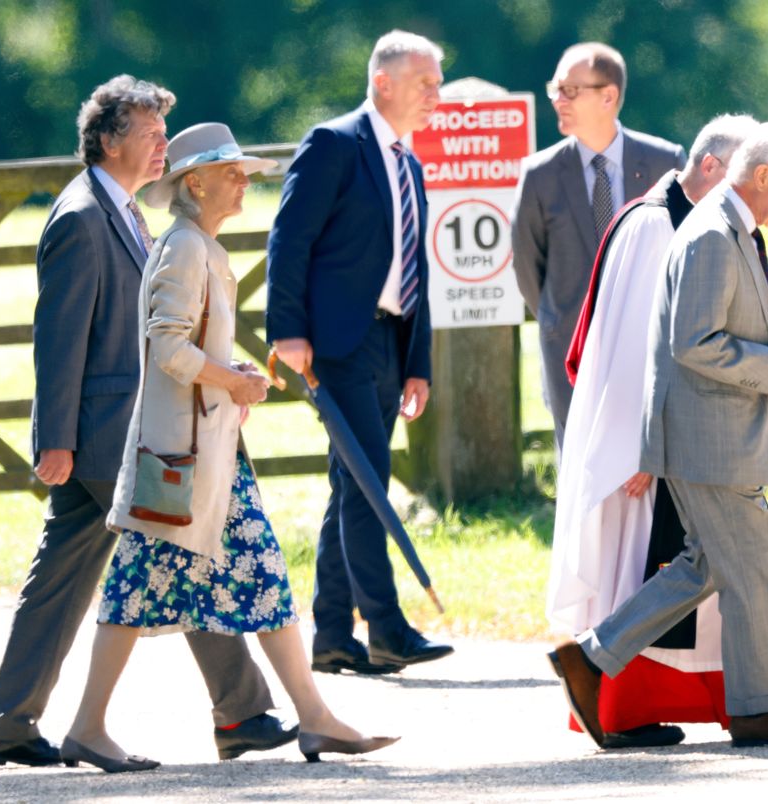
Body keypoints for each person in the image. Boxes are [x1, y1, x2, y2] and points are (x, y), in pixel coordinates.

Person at [59, 123, 399, 772]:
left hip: (205, 461)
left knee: (262, 579)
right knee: (137, 593)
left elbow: (192, 344)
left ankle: (315, 717)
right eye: (232, 172)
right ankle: (88, 727)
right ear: (195, 182)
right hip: (180, 465)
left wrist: (232, 373)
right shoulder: (187, 247)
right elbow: (167, 347)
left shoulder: (200, 245)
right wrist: (236, 380)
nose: (245, 181)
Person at [0, 77, 288, 769]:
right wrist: (54, 439)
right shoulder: (81, 217)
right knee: (184, 544)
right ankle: (242, 712)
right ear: (110, 138)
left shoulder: (122, 212)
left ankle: (10, 723)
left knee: (65, 576)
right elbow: (58, 340)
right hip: (98, 434)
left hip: (124, 426)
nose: (161, 148)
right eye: (151, 135)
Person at [548, 122, 768, 748]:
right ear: (761, 177)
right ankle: (763, 710)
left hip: (710, 437)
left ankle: (590, 658)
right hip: (709, 441)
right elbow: (694, 343)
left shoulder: (724, 227)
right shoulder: (711, 234)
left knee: (703, 565)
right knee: (754, 568)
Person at [266, 30, 453, 675]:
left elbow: (414, 266)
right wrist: (286, 329)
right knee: (369, 484)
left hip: (389, 343)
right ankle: (387, 629)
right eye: (426, 83)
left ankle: (332, 636)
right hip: (338, 344)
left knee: (351, 484)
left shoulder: (411, 161)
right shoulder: (333, 145)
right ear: (384, 82)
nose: (437, 95)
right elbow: (289, 240)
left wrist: (418, 362)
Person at [511, 42, 686, 449]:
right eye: (555, 88)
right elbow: (527, 266)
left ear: (608, 96)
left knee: (648, 466)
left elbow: (683, 254)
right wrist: (563, 318)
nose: (557, 100)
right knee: (580, 466)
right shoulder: (540, 175)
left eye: (571, 90)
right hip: (571, 348)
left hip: (652, 344)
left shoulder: (666, 162)